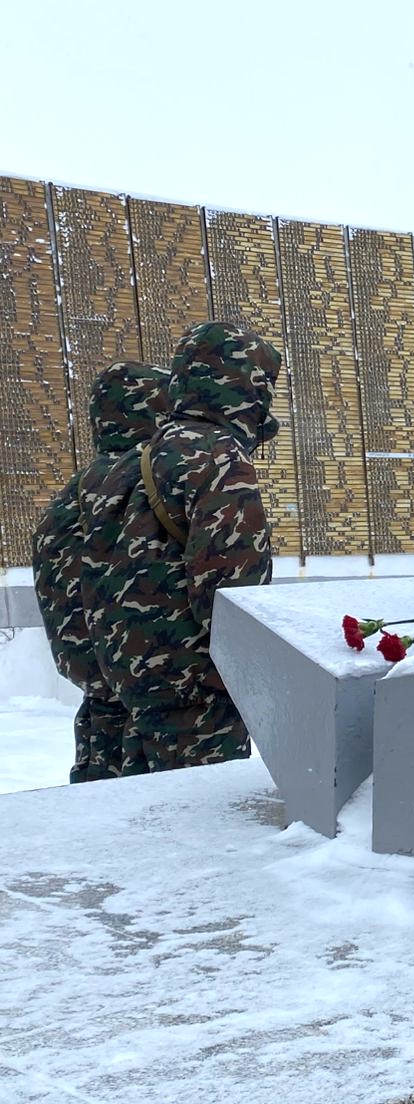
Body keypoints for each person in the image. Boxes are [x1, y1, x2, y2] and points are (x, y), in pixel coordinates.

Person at [82, 320, 282, 776]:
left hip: (132, 680)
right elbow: (233, 592)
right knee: (204, 827)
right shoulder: (218, 455)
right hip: (195, 693)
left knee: (151, 821)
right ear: (244, 385)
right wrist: (257, 677)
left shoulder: (141, 456)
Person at [31, 361, 170, 782]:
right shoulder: (142, 487)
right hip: (148, 696)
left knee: (100, 794)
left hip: (96, 693)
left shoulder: (76, 492)